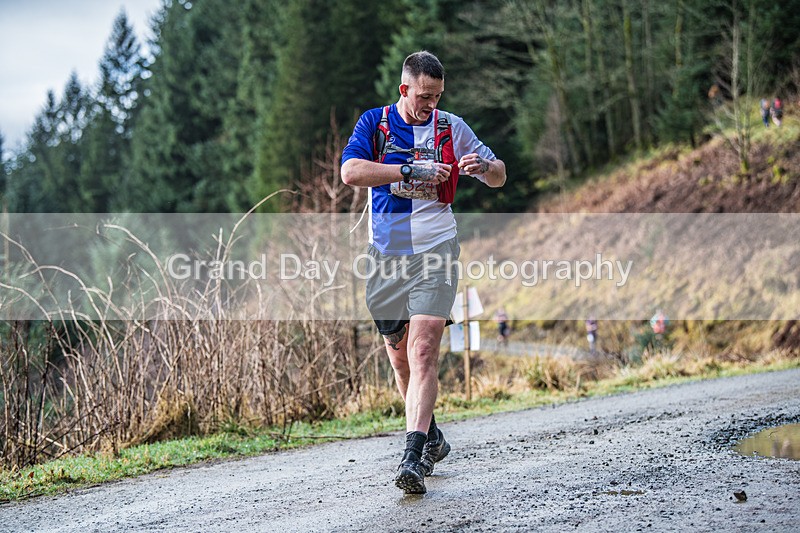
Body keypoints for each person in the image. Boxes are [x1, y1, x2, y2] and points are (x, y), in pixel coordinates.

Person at [341, 51, 507, 494]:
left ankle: (412, 455)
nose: (430, 105)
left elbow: (500, 176)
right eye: (423, 97)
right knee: (399, 357)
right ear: (404, 90)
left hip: (436, 252)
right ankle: (432, 433)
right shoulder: (374, 124)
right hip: (386, 256)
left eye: (437, 96)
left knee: (424, 349)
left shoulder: (452, 126)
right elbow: (350, 172)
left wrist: (485, 167)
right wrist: (407, 168)